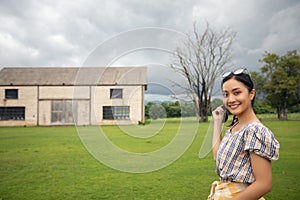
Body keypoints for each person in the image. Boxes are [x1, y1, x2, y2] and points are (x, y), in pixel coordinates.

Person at [208, 68, 280, 200]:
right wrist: (218, 122)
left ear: (251, 94)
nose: (231, 99)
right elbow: (216, 157)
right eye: (226, 94)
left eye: (237, 92)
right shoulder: (235, 127)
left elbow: (264, 184)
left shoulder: (254, 131)